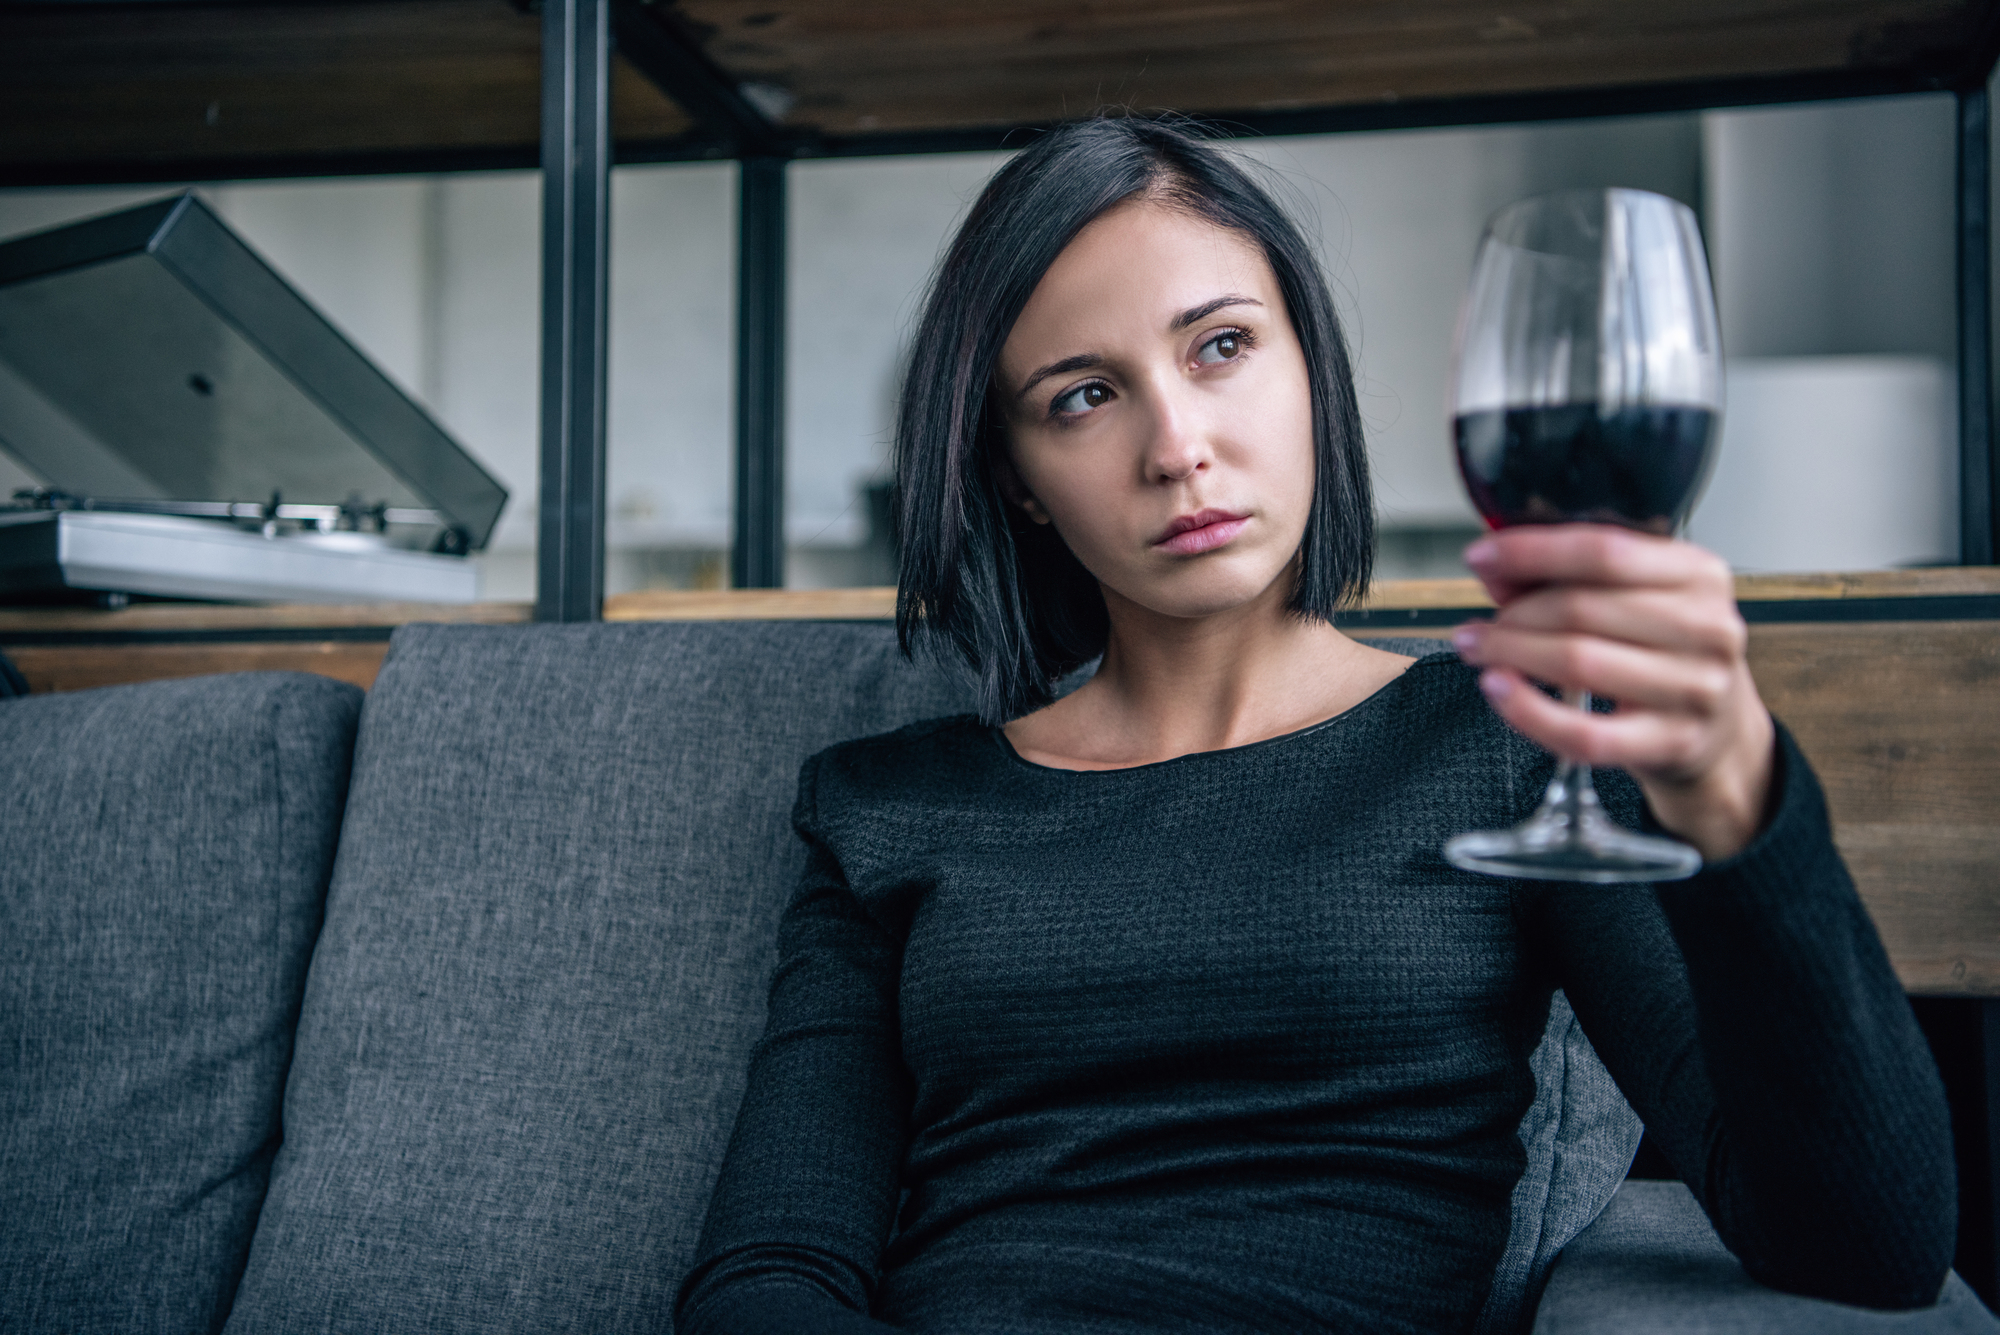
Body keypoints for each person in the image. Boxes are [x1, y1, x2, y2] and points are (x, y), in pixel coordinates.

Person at [674, 117, 1954, 1335]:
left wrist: (1738, 793)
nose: (1176, 445)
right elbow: (769, 1275)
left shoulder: (1504, 741)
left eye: (1219, 346)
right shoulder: (886, 807)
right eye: (1080, 395)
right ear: (1013, 478)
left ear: (1307, 367)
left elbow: (1864, 1245)